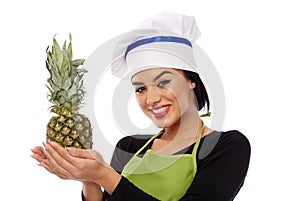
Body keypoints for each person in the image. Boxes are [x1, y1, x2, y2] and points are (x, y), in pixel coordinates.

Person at [31, 12, 251, 201]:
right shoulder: (128, 147)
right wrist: (89, 180)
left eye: (163, 82)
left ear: (191, 80)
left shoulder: (227, 146)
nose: (151, 99)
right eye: (140, 89)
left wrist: (104, 175)